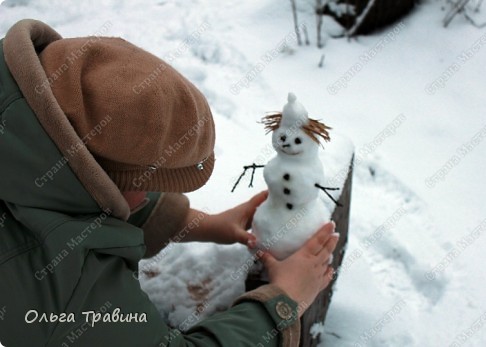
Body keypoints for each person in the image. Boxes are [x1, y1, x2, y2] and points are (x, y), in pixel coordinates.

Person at [0, 19, 339, 347]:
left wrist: (196, 223)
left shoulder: (23, 134)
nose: (146, 195)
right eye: (141, 181)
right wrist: (281, 303)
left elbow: (74, 201)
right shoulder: (67, 294)